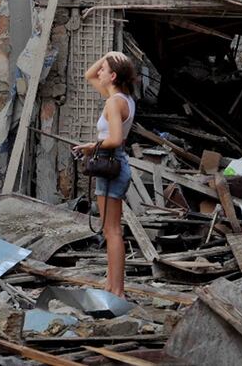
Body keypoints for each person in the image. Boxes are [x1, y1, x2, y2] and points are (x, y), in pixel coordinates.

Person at [74, 51, 137, 298]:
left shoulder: (114, 102)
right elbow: (88, 74)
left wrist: (91, 146)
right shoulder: (123, 98)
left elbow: (115, 139)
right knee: (111, 230)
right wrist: (109, 55)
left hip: (111, 164)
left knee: (112, 231)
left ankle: (117, 291)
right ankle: (111, 286)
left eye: (104, 69)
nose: (98, 71)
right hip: (114, 164)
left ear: (112, 76)